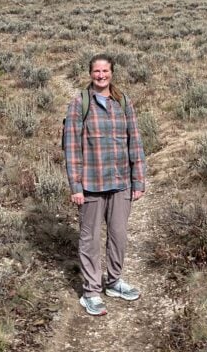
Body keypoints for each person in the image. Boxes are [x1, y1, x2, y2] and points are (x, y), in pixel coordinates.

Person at [62, 54, 147, 316]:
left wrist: (138, 179)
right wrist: (76, 185)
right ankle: (90, 291)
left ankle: (113, 281)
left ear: (112, 73)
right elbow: (72, 147)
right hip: (91, 184)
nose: (101, 75)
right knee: (90, 239)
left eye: (105, 71)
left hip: (121, 182)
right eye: (97, 71)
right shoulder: (80, 103)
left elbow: (135, 141)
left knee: (119, 235)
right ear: (90, 74)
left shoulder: (123, 102)